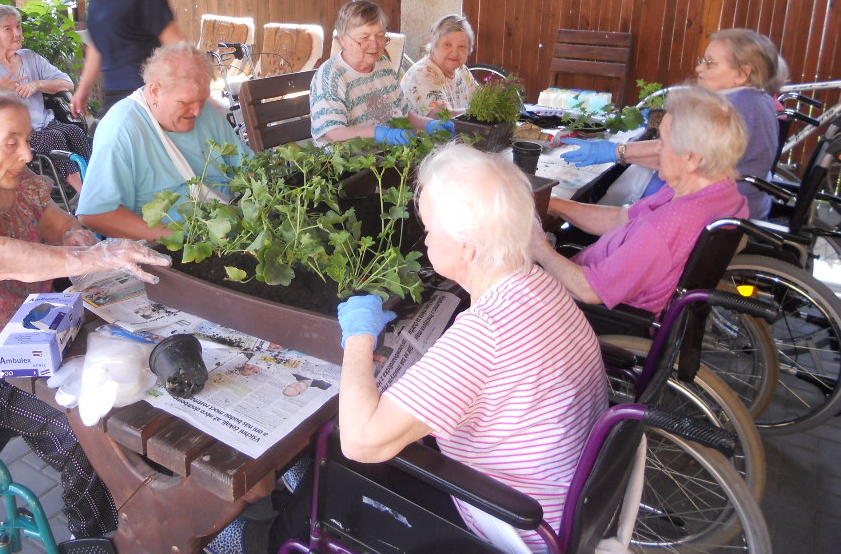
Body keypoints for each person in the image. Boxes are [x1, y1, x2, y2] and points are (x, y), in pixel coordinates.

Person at [220, 144, 606, 554]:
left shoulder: (486, 334)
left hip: (509, 525)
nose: (425, 238)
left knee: (340, 454)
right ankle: (302, 499)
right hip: (562, 500)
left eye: (430, 229)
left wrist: (358, 338)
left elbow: (361, 441)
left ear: (466, 246)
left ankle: (265, 543)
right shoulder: (540, 284)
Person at [0, 89, 171, 540]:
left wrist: (73, 236)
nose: (27, 154)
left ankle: (152, 510)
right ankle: (92, 539)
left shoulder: (16, 179)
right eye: (12, 142)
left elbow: (55, 221)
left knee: (133, 379)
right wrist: (95, 257)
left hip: (39, 330)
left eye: (27, 140)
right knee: (81, 436)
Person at [533, 86, 748, 314]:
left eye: (663, 142)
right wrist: (556, 204)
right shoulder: (718, 193)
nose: (656, 150)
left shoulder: (668, 225)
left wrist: (539, 248)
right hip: (595, 278)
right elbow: (620, 219)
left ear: (692, 159)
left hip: (588, 309)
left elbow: (590, 291)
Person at [562, 28, 786, 219]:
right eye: (702, 61)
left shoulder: (733, 108)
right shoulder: (755, 100)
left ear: (743, 73)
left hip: (718, 217)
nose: (699, 69)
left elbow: (677, 157)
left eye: (710, 64)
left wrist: (616, 151)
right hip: (737, 207)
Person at [77, 44, 252, 242]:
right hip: (163, 247)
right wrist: (183, 239)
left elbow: (247, 168)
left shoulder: (206, 112)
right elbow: (95, 214)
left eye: (202, 100)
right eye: (185, 103)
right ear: (155, 91)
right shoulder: (121, 128)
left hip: (230, 231)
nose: (197, 112)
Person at [0, 4, 91, 192]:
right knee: (54, 139)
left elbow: (67, 83)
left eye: (18, 26)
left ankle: (95, 182)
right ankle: (84, 193)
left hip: (44, 122)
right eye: (8, 29)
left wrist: (37, 84)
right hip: (15, 133)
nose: (17, 33)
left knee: (74, 131)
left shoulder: (30, 57)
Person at [309, 0, 452, 146]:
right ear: (343, 40)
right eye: (364, 38)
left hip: (387, 152)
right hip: (349, 158)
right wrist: (378, 133)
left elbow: (403, 114)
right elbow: (332, 134)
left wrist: (429, 124)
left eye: (380, 36)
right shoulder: (330, 77)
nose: (374, 44)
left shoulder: (383, 64)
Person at [400, 14, 479, 117]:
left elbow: (481, 99)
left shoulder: (462, 70)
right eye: (447, 45)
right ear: (434, 43)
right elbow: (443, 116)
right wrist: (483, 111)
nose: (455, 53)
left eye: (461, 46)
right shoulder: (422, 73)